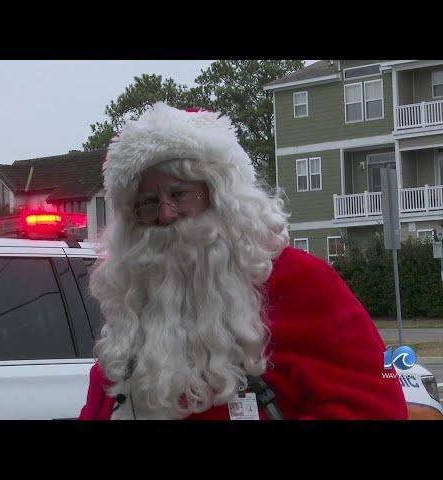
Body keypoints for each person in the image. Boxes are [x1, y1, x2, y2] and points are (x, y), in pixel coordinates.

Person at [78, 102, 408, 420]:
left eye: (179, 194)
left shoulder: (303, 282)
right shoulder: (134, 304)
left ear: (218, 195)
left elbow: (376, 406)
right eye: (148, 203)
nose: (165, 214)